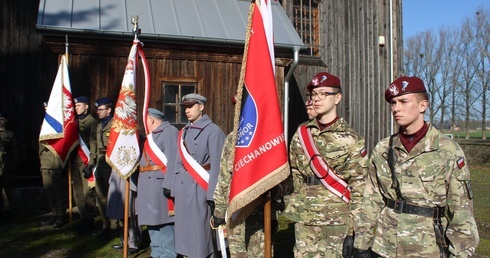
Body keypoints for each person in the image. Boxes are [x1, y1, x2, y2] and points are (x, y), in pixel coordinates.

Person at [353, 76, 480, 257]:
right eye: (393, 103)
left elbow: (461, 211)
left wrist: (460, 253)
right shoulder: (383, 149)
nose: (396, 108)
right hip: (385, 247)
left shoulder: (447, 151)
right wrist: (361, 244)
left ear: (423, 105)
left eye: (404, 101)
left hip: (428, 248)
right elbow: (371, 199)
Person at [283, 72, 369, 257]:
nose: (317, 99)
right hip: (305, 219)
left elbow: (359, 187)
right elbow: (296, 173)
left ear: (337, 98)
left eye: (323, 93)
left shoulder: (351, 139)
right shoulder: (301, 133)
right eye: (314, 94)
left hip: (336, 222)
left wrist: (353, 231)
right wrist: (299, 203)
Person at [170, 93, 225, 258]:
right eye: (185, 107)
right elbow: (177, 162)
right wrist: (173, 188)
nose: (187, 110)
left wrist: (213, 195)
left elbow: (218, 166)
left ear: (201, 107)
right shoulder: (184, 132)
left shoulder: (213, 131)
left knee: (200, 233)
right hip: (183, 187)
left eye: (191, 106)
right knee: (184, 231)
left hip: (201, 187)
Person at [136, 108, 178, 258]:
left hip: (160, 184)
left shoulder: (169, 132)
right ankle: (156, 252)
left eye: (145, 119)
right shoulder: (152, 136)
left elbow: (173, 161)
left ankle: (168, 253)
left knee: (164, 223)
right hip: (148, 185)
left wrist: (169, 184)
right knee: (151, 221)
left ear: (151, 120)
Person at [70, 96, 98, 233]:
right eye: (75, 106)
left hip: (86, 160)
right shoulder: (73, 122)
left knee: (88, 192)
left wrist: (91, 163)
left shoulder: (91, 122)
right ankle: (82, 216)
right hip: (76, 161)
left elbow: (93, 143)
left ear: (86, 106)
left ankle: (90, 219)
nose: (77, 108)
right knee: (78, 192)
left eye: (79, 105)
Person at [39, 102, 68, 228]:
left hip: (56, 163)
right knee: (48, 191)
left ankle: (61, 215)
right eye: (45, 107)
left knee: (59, 191)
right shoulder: (45, 123)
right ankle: (54, 213)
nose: (46, 109)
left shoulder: (60, 124)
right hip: (45, 163)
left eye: (48, 107)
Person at [92, 97, 114, 239]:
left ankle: (114, 226)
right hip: (100, 162)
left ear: (109, 110)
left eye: (100, 109)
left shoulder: (114, 125)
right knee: (100, 195)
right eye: (97, 110)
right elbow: (93, 144)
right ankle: (105, 224)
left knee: (111, 195)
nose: (98, 112)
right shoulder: (99, 125)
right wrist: (90, 162)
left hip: (110, 163)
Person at [0, 111, 19, 219]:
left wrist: (13, 165)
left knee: (6, 190)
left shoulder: (10, 134)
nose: (0, 122)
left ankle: (7, 210)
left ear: (6, 121)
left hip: (5, 166)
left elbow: (15, 151)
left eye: (2, 119)